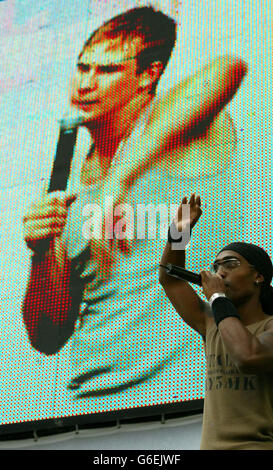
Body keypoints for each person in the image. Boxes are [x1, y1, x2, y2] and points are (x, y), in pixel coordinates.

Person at [22, 6, 246, 407]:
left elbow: (229, 67)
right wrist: (41, 252)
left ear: (148, 74)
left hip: (196, 397)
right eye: (82, 67)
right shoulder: (66, 181)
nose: (85, 84)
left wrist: (121, 178)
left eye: (106, 70)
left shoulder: (189, 132)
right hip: (90, 407)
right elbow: (47, 334)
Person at [159, 194, 273, 450]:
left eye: (231, 264)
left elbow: (248, 356)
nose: (220, 271)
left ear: (258, 276)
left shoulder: (268, 326)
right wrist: (179, 234)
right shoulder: (211, 323)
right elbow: (171, 279)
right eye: (217, 266)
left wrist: (218, 297)